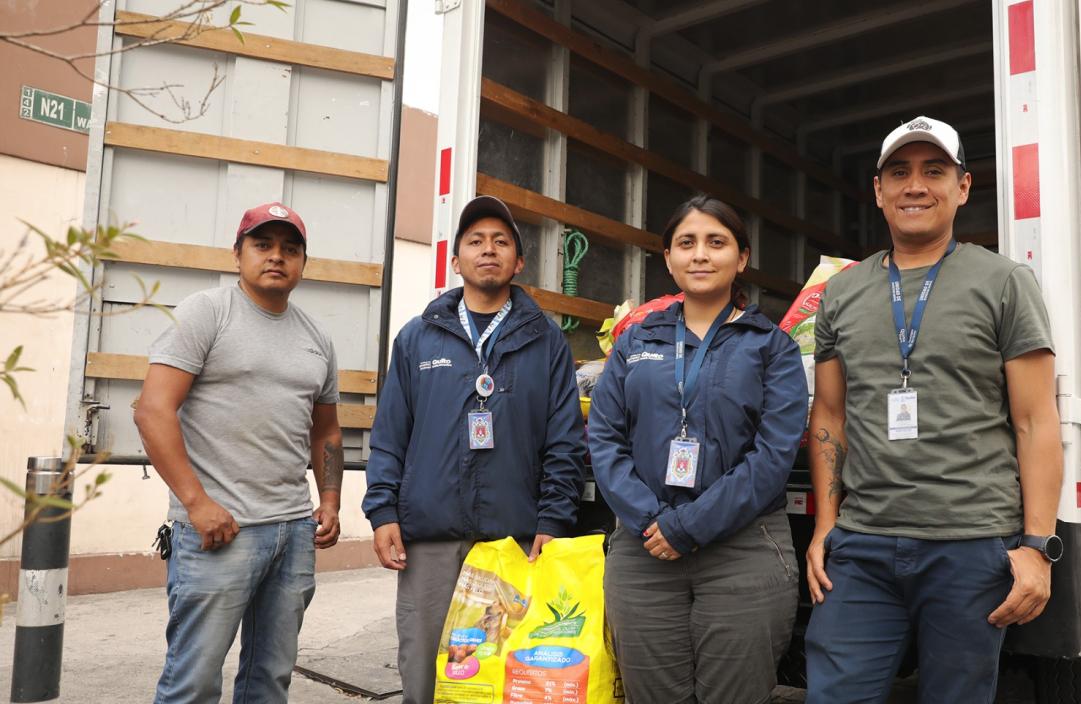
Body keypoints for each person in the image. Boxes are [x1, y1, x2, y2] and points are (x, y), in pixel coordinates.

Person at [804, 116, 1063, 703]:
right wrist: (825, 526)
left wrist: (1037, 545)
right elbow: (829, 415)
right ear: (878, 191)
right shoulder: (842, 292)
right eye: (899, 172)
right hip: (862, 545)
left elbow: (1035, 420)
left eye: (933, 171)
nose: (914, 186)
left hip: (971, 545)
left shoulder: (1004, 283)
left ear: (964, 186)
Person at [362, 195, 586, 704]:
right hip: (430, 538)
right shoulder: (418, 338)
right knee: (422, 672)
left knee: (503, 679)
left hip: (512, 542)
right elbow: (391, 432)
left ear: (518, 261)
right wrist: (381, 511)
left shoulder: (546, 340)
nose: (489, 250)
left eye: (501, 241)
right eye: (476, 241)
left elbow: (564, 441)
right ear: (456, 259)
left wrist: (552, 523)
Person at [588, 194, 808, 703]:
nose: (700, 255)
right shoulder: (633, 342)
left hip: (744, 548)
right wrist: (651, 520)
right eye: (686, 243)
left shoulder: (771, 346)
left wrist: (687, 526)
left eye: (716, 242)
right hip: (645, 549)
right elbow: (604, 439)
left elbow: (772, 457)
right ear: (668, 258)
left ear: (742, 258)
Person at [135, 201, 344, 703]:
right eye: (263, 245)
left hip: (293, 531)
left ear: (302, 263)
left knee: (269, 679)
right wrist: (196, 503)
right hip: (218, 531)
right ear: (237, 254)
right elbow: (152, 411)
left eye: (290, 249)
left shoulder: (316, 336)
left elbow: (327, 432)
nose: (277, 257)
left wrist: (331, 498)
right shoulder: (207, 312)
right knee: (193, 681)